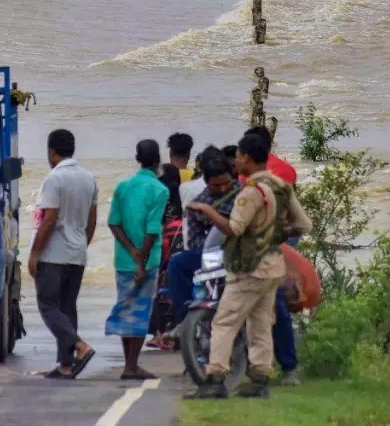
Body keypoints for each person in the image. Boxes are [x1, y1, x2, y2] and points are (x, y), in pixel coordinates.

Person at [186, 133, 310, 400]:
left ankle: (215, 379)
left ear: (248, 159)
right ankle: (260, 379)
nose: (236, 161)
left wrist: (208, 212)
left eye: (240, 156)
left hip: (248, 268)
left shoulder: (252, 191)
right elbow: (303, 225)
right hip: (273, 266)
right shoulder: (281, 186)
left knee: (225, 321)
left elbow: (233, 228)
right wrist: (274, 233)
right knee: (261, 324)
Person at [29, 129, 98, 379]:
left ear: (51, 152)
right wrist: (82, 244)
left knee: (48, 306)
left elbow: (49, 218)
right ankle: (66, 365)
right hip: (77, 253)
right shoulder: (88, 178)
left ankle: (80, 347)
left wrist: (35, 253)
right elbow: (92, 219)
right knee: (68, 308)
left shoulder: (54, 179)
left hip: (53, 254)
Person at [105, 139, 169, 380]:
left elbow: (114, 223)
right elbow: (153, 230)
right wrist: (141, 261)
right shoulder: (159, 190)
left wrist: (131, 251)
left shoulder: (123, 186)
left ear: (137, 158)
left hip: (123, 259)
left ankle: (128, 364)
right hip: (148, 261)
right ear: (158, 160)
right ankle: (131, 366)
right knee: (141, 311)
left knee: (126, 307)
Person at [168, 148, 238, 331]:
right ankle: (184, 320)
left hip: (244, 250)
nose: (223, 189)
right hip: (216, 253)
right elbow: (193, 240)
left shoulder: (244, 194)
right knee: (177, 263)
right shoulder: (200, 202)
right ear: (206, 182)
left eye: (226, 183)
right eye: (216, 186)